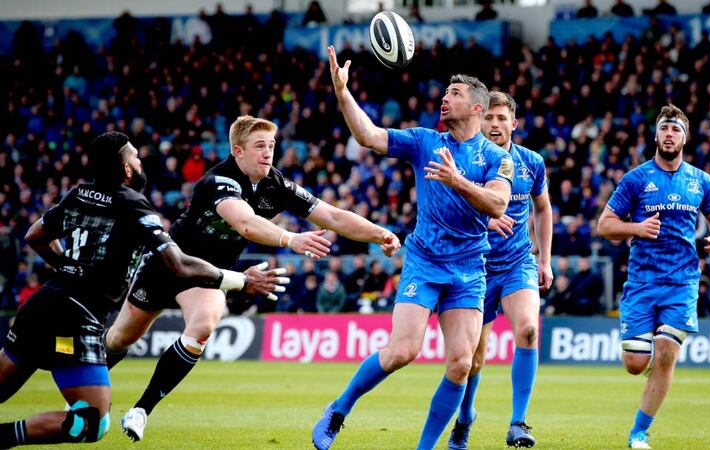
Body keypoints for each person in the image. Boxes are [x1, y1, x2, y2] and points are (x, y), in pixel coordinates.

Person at [106, 116, 401, 441]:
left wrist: (380, 233)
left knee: (203, 325)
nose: (268, 152)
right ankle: (84, 391)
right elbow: (245, 223)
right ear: (238, 151)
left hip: (210, 275)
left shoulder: (276, 185)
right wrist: (290, 239)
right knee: (120, 339)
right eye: (259, 146)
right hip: (169, 263)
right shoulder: (219, 181)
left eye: (272, 146)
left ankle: (141, 410)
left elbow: (331, 215)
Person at [0, 131, 282, 447]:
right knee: (90, 423)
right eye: (134, 156)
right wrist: (242, 280)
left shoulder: (78, 194)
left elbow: (34, 235)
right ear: (127, 170)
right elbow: (178, 265)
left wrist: (69, 268)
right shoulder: (133, 205)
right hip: (76, 322)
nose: (139, 159)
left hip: (41, 307)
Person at [313, 47, 513, 450]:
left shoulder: (497, 158)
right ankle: (338, 409)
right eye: (445, 92)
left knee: (461, 363)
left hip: (470, 268)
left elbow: (498, 204)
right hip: (424, 261)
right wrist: (342, 92)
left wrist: (456, 180)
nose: (445, 97)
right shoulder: (423, 140)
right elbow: (367, 136)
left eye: (454, 93)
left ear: (477, 107)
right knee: (403, 351)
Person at [597, 105, 710, 449]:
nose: (670, 134)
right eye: (665, 129)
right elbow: (604, 225)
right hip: (642, 282)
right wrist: (636, 228)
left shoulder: (701, 181)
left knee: (667, 351)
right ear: (656, 135)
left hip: (682, 282)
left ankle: (639, 433)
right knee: (635, 363)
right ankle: (649, 358)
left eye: (676, 129)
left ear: (685, 137)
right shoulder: (636, 179)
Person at [447, 91, 553, 449]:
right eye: (489, 118)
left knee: (527, 331)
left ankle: (518, 423)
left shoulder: (532, 163)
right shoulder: (470, 161)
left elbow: (543, 208)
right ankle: (464, 418)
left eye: (501, 119)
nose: (495, 125)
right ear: (480, 120)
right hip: (475, 266)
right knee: (474, 360)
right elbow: (452, 208)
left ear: (513, 124)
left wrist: (545, 259)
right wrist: (485, 219)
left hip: (517, 263)